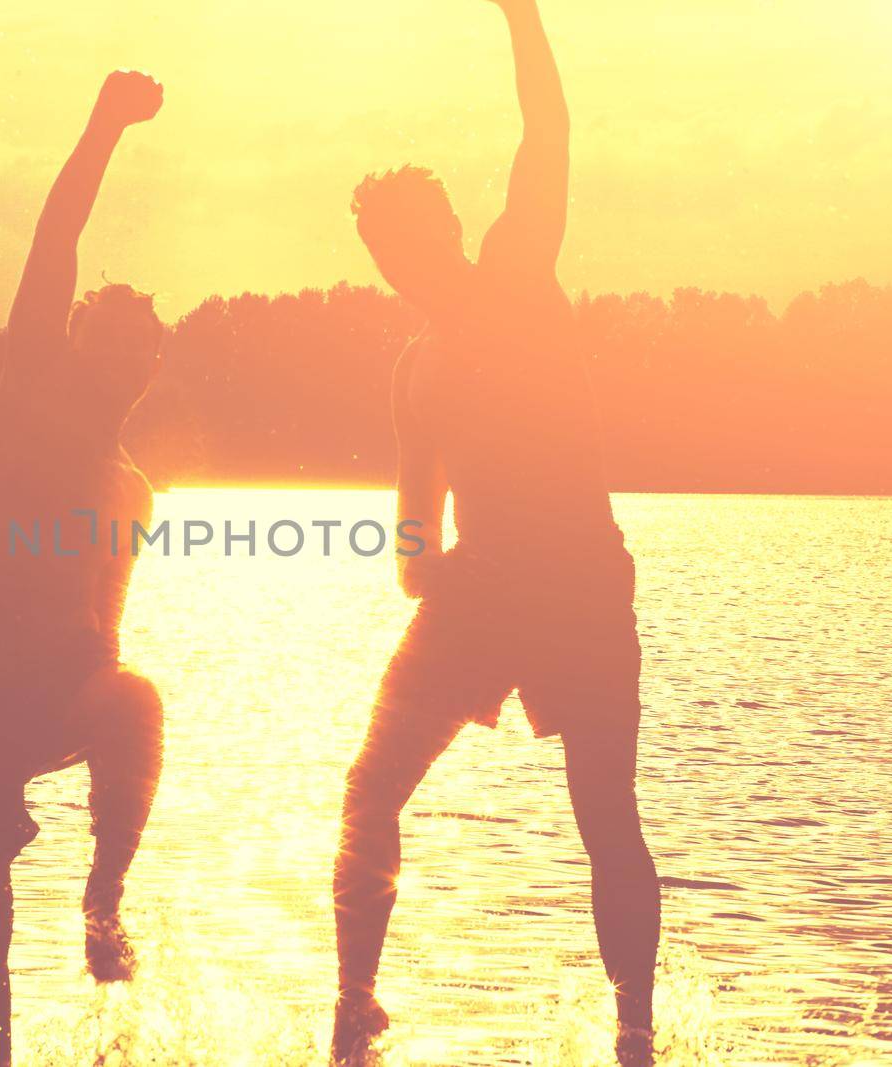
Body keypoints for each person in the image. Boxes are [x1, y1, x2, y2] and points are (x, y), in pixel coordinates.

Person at [330, 3, 660, 1064]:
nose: (402, 260)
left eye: (413, 238)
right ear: (383, 260)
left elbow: (547, 128)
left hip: (577, 582)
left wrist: (519, 12)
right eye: (387, 249)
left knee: (604, 807)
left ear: (448, 231)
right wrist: (432, 573)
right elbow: (413, 536)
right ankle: (354, 1002)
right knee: (371, 785)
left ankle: (635, 1026)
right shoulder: (412, 370)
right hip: (486, 590)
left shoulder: (519, 268)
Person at [0, 69, 167, 1067]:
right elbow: (58, 242)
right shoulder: (28, 389)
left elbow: (106, 623)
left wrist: (100, 738)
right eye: (101, 332)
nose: (117, 354)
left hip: (52, 694)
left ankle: (103, 909)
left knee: (132, 697)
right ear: (73, 337)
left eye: (138, 348)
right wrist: (103, 125)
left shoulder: (126, 481)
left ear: (149, 371)